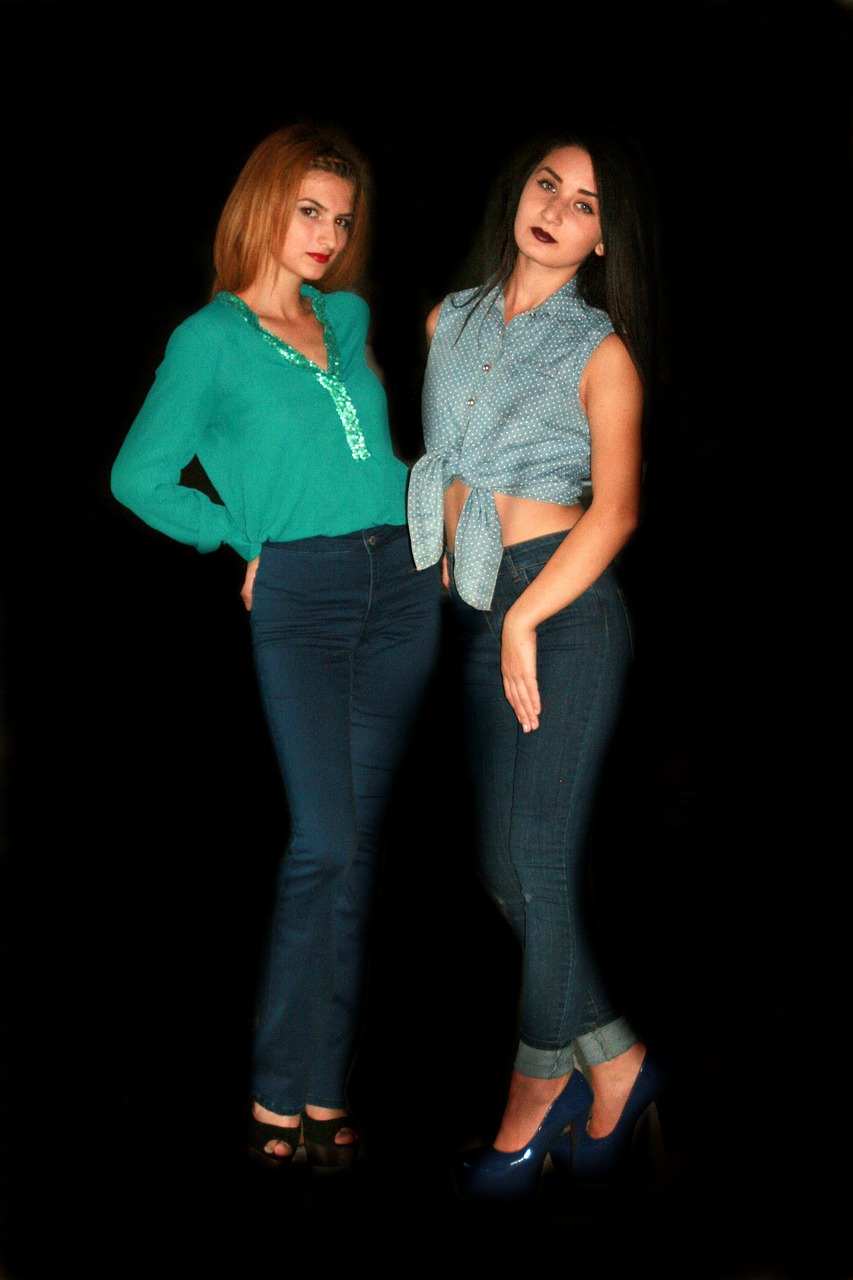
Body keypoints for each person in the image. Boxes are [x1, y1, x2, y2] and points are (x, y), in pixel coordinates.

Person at [111, 122, 442, 1173]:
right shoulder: (207, 340)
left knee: (358, 850)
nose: (328, 235)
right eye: (308, 211)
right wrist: (244, 537)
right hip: (303, 595)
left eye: (340, 219)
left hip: (404, 584)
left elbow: (372, 454)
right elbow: (137, 476)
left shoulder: (345, 317)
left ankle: (322, 1088)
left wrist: (433, 527)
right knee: (324, 841)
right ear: (262, 205)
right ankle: (272, 1086)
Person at [407, 126, 667, 1201]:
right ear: (518, 192)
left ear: (605, 239)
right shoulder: (446, 320)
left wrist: (523, 617)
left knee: (538, 861)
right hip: (479, 609)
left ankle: (532, 1100)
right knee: (501, 866)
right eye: (548, 185)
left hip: (562, 615)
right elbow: (438, 469)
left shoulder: (602, 352)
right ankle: (620, 1062)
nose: (556, 208)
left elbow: (617, 512)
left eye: (585, 203)